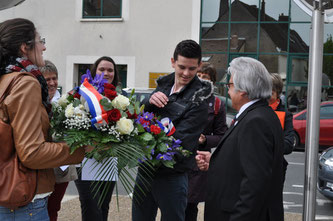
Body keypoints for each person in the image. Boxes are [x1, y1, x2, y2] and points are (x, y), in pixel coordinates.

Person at [0, 18, 85, 220]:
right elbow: (32, 153)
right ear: (24, 47)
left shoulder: (4, 78)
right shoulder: (24, 83)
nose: (44, 47)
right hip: (23, 201)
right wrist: (82, 148)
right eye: (40, 41)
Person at [132, 39, 212, 221]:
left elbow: (181, 141)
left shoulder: (200, 98)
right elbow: (141, 119)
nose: (186, 73)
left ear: (199, 65)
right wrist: (149, 102)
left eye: (192, 68)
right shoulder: (163, 85)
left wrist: (143, 145)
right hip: (145, 170)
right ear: (172, 62)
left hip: (172, 175)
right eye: (182, 67)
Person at [196, 57, 284, 221]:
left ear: (243, 90)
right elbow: (245, 161)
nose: (227, 89)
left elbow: (254, 184)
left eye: (229, 84)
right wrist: (215, 161)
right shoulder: (258, 114)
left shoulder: (256, 122)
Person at [74, 56, 120, 221]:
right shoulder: (82, 93)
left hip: (108, 158)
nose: (106, 73)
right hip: (85, 158)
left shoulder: (120, 98)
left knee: (103, 205)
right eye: (102, 69)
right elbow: (71, 125)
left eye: (110, 70)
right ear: (94, 71)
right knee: (90, 205)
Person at [185, 63, 227, 221]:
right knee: (173, 202)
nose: (201, 80)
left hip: (199, 159)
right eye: (199, 76)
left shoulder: (217, 104)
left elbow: (221, 136)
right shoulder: (182, 97)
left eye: (206, 78)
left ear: (213, 83)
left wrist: (205, 140)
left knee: (190, 205)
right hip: (177, 155)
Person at [40, 60, 78, 221]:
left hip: (61, 166)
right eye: (47, 79)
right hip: (41, 164)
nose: (52, 83)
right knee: (40, 208)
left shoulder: (64, 103)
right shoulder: (35, 102)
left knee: (54, 208)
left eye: (54, 78)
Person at [269, 73, 295, 183]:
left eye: (271, 92)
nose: (266, 96)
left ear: (278, 93)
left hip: (275, 169)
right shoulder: (255, 109)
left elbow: (288, 145)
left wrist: (266, 146)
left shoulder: (285, 115)